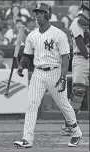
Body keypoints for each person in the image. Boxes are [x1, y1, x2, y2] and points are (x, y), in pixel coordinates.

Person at [14, 2, 82, 148]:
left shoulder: (59, 34)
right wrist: (21, 65)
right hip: (38, 72)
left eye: (41, 12)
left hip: (55, 72)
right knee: (31, 105)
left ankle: (76, 132)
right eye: (36, 12)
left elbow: (65, 57)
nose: (37, 15)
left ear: (48, 14)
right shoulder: (32, 35)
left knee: (63, 105)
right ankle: (27, 139)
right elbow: (27, 56)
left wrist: (63, 76)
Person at [61, 0, 90, 136]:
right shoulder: (77, 21)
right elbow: (80, 42)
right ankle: (69, 124)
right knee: (78, 92)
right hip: (82, 58)